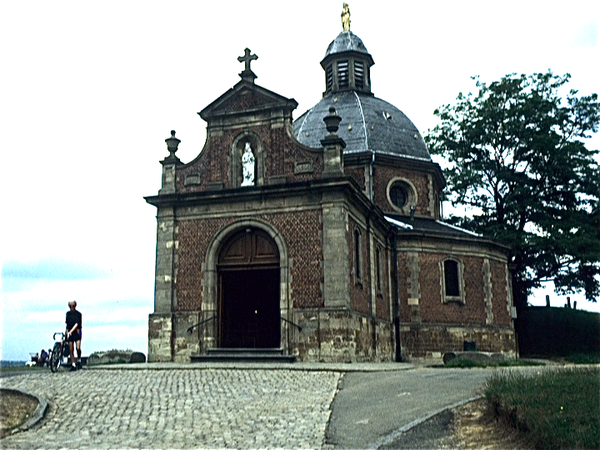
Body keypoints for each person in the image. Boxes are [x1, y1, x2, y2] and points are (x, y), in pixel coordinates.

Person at [66, 301, 82, 371]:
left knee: (78, 348)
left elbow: (77, 324)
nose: (72, 307)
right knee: (71, 349)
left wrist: (71, 331)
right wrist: (67, 332)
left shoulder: (78, 314)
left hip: (77, 332)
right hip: (70, 333)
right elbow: (67, 324)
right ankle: (73, 364)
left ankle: (79, 360)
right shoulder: (68, 314)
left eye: (73, 305)